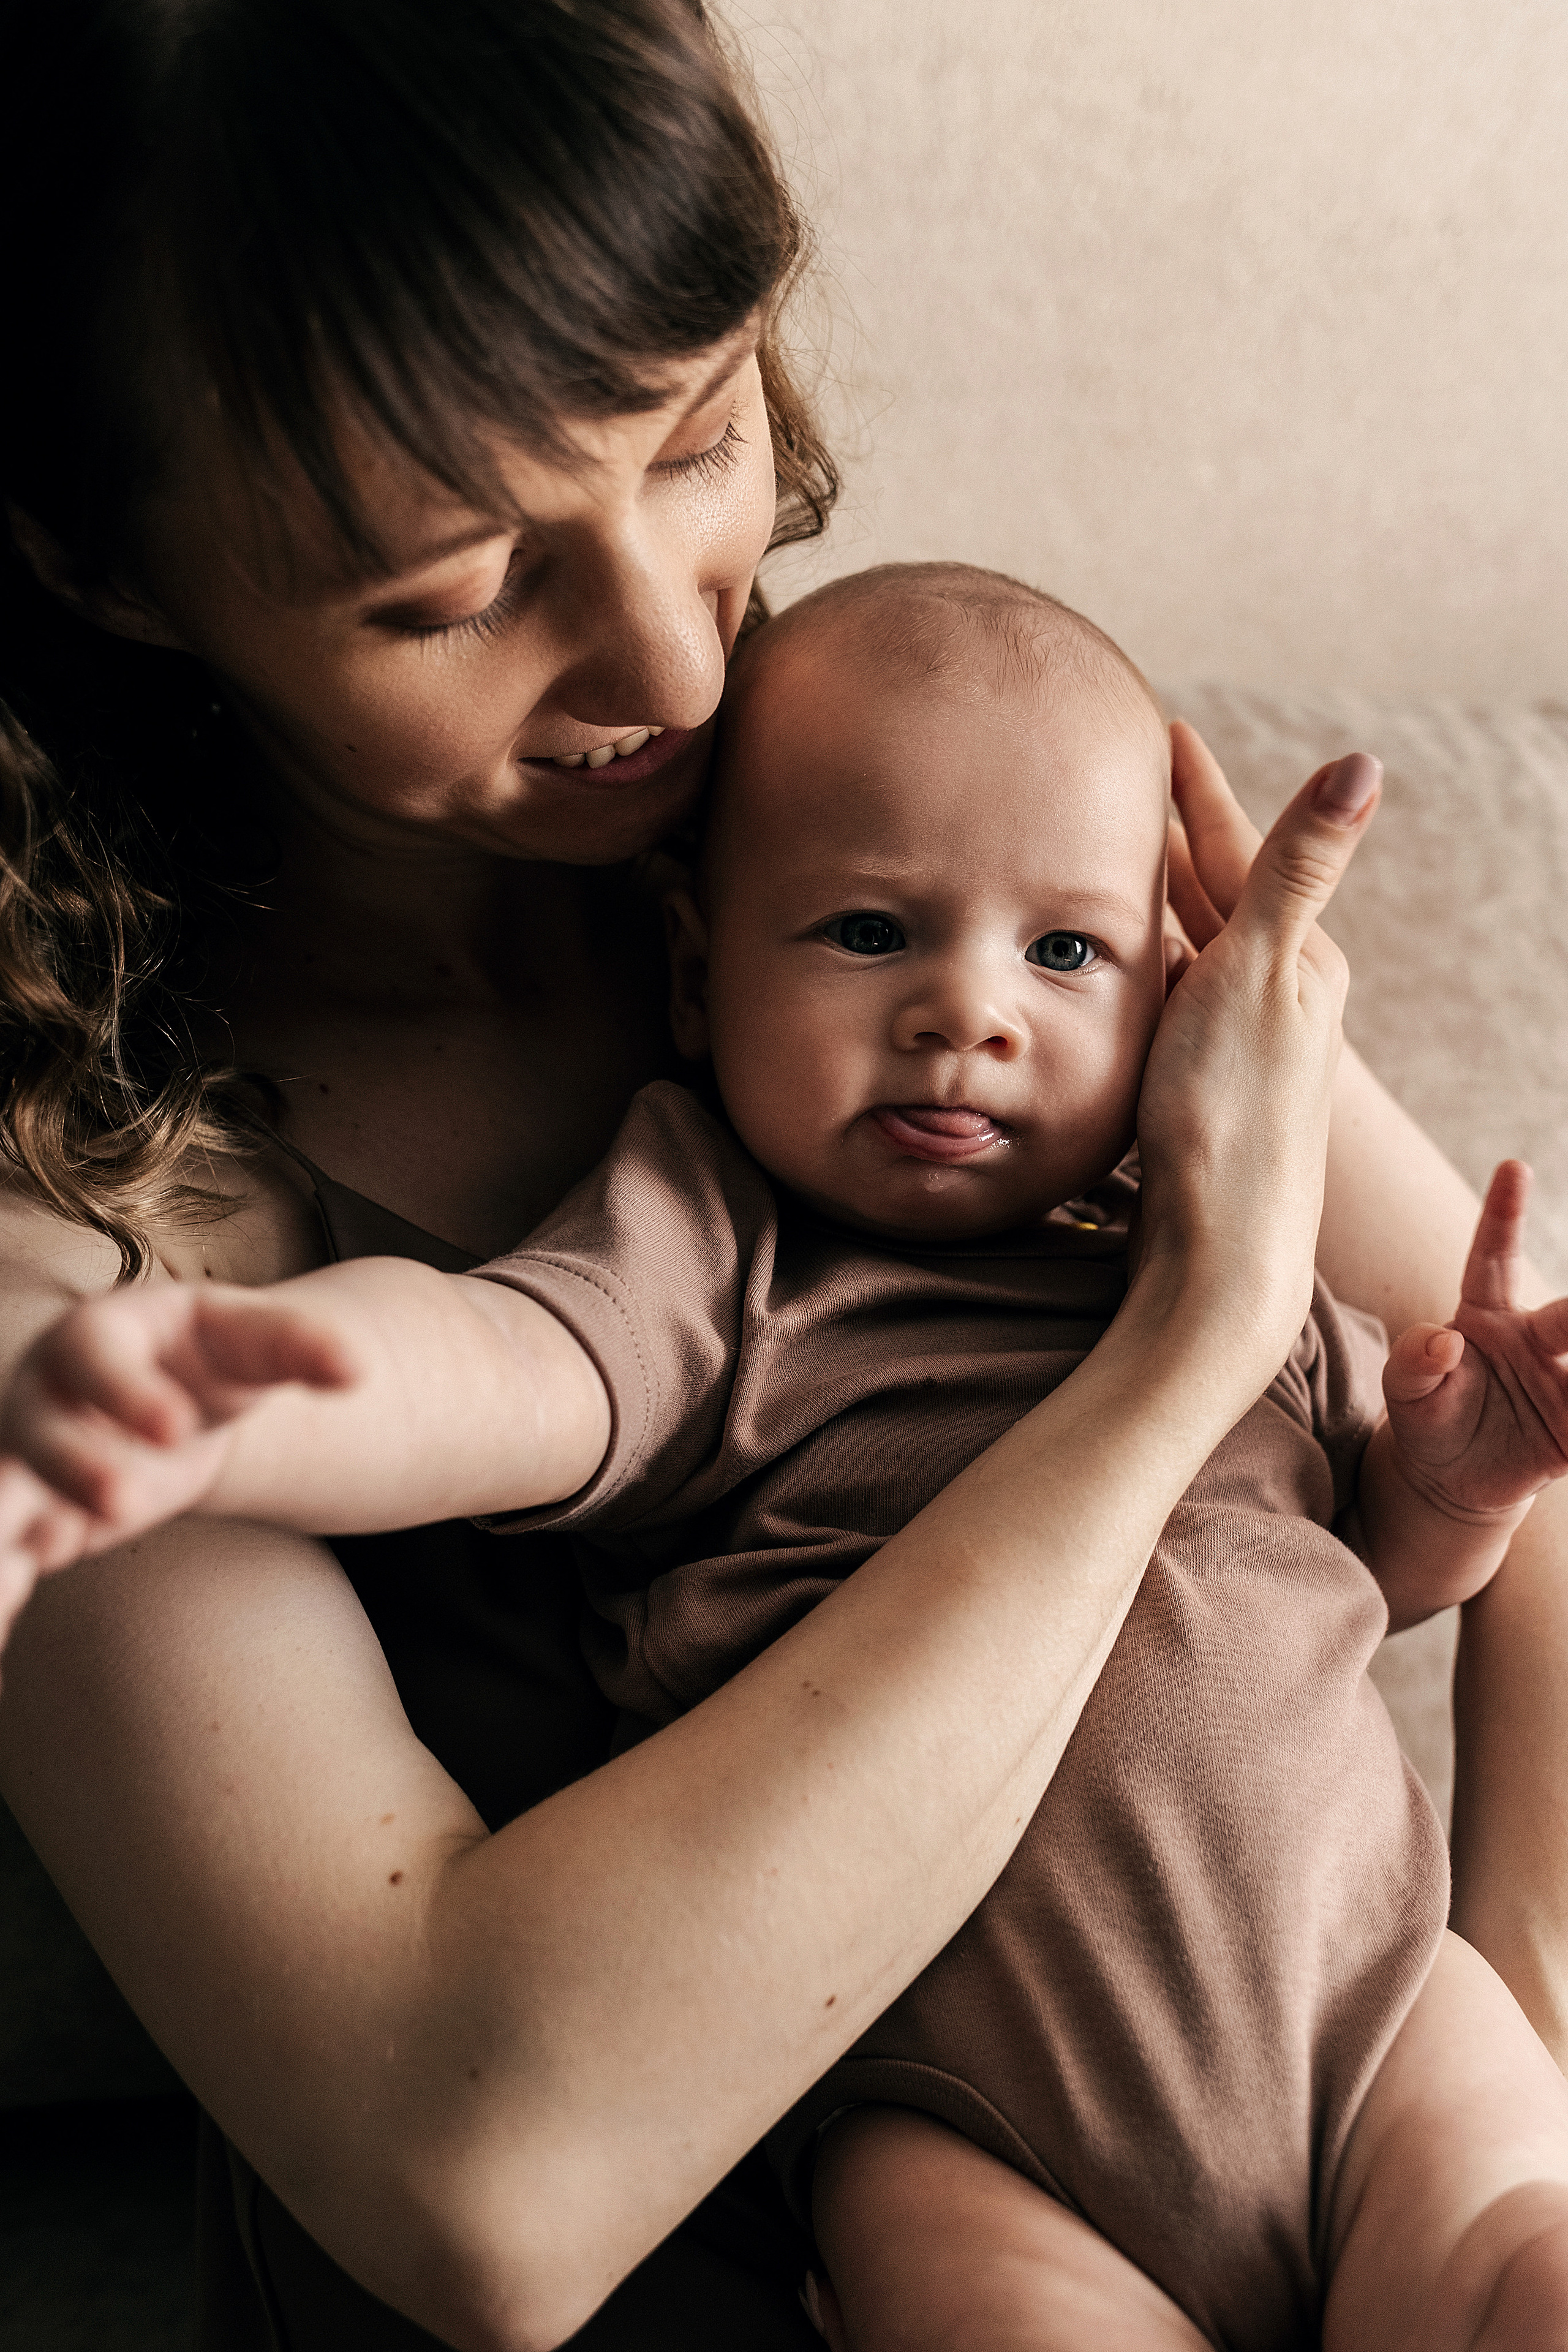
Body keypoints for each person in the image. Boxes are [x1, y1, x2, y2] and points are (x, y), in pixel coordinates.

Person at [0, 5, 1562, 2347]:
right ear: (109, 564)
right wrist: (1182, 1357)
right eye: (446, 590)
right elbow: (481, 2182)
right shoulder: (84, 1217)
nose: (674, 653)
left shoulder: (922, 808)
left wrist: (1496, 2054)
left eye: (701, 432)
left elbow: (1507, 1432)